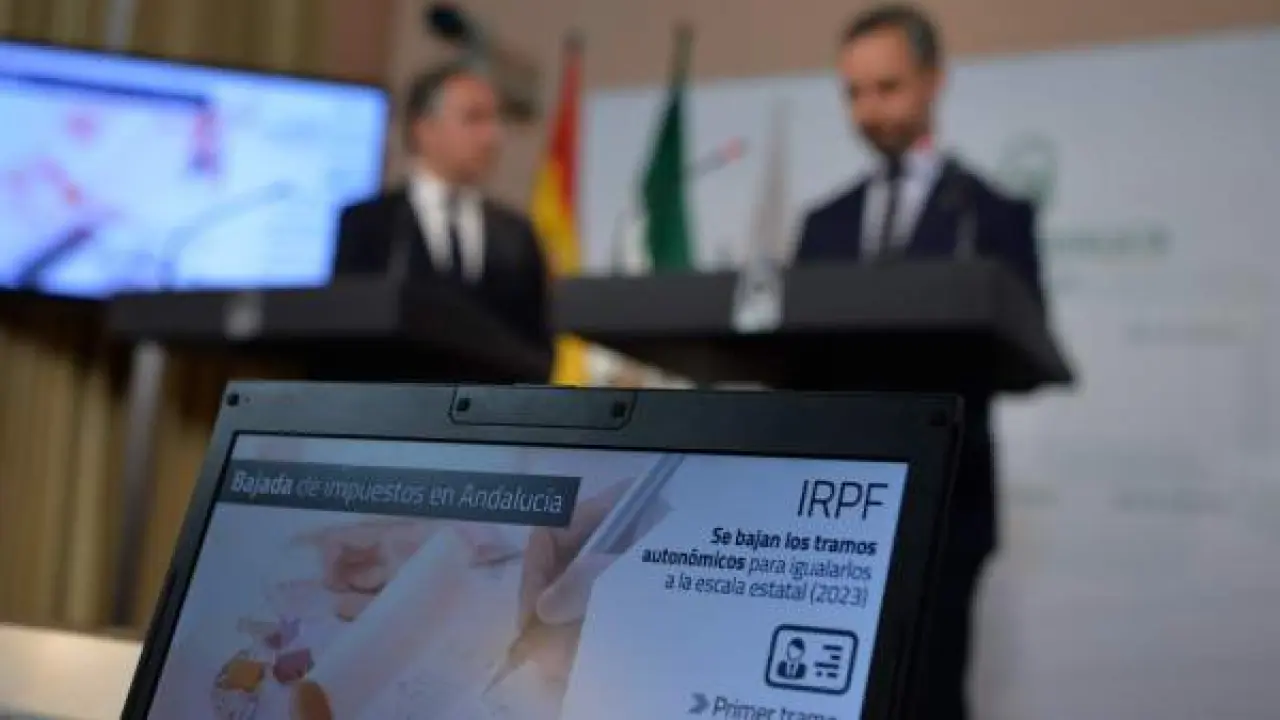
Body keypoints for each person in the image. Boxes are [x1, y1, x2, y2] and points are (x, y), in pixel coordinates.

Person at [794, 5, 1047, 718]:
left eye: (887, 87)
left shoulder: (993, 215)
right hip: (836, 502)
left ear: (933, 80)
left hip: (948, 498)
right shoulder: (823, 224)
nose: (869, 110)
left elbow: (1028, 344)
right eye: (853, 93)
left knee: (931, 692)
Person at [333, 62, 553, 362]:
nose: (492, 136)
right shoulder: (370, 223)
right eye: (474, 118)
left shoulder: (516, 234)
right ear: (424, 129)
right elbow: (346, 334)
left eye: (496, 120)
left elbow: (537, 346)